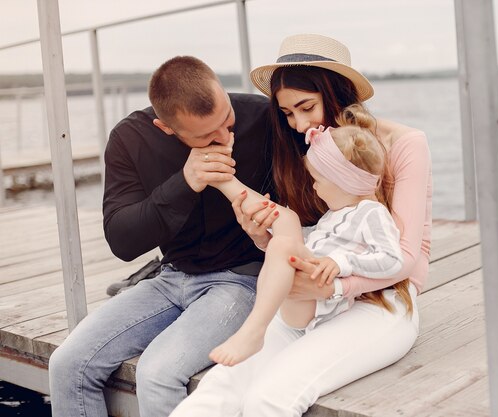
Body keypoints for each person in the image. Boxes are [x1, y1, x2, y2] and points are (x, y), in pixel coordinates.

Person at [170, 33, 432, 416]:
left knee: (267, 398)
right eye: (288, 113)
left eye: (306, 107)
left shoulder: (405, 144)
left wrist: (337, 285)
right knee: (217, 390)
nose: (297, 123)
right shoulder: (310, 149)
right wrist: (262, 239)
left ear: (336, 91)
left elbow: (407, 256)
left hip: (379, 302)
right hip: (307, 300)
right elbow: (306, 233)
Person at [47, 56, 275, 417]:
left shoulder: (264, 117)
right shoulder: (130, 138)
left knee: (157, 373)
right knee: (67, 364)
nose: (224, 137)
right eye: (205, 135)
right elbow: (122, 242)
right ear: (166, 128)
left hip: (242, 281)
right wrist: (184, 183)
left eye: (227, 120)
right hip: (169, 278)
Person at [209, 109, 404, 366]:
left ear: (343, 182)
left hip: (320, 304)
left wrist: (341, 262)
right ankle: (223, 181)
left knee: (283, 240)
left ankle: (253, 331)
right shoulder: (334, 216)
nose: (313, 187)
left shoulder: (372, 213)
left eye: (317, 180)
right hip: (304, 297)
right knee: (282, 234)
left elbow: (392, 260)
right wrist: (266, 236)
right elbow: (310, 242)